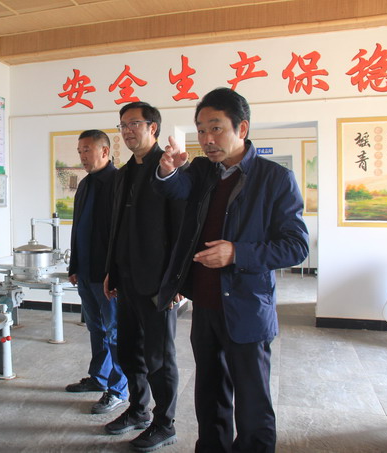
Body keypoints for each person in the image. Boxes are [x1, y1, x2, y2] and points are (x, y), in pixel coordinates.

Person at [153, 87, 309, 453]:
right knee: (209, 396)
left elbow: (296, 246)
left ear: (242, 128)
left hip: (248, 307)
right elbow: (175, 190)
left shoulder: (275, 179)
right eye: (201, 130)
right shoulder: (203, 172)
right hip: (206, 306)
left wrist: (237, 253)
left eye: (216, 128)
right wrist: (167, 170)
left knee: (253, 404)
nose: (207, 139)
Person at [103, 102, 185, 452]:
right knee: (128, 351)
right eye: (123, 125)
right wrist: (111, 270)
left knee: (159, 358)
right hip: (126, 279)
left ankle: (165, 424)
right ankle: (138, 409)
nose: (127, 131)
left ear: (153, 127)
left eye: (134, 123)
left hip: (157, 282)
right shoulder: (123, 174)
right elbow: (117, 227)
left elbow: (182, 228)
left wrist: (178, 280)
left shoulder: (168, 169)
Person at [66, 129, 128, 415]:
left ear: (104, 151)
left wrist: (114, 273)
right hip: (86, 272)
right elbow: (78, 228)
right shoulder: (85, 184)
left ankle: (118, 389)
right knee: (96, 328)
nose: (82, 156)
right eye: (80, 151)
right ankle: (99, 377)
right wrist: (74, 266)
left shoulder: (119, 182)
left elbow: (123, 234)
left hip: (107, 276)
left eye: (87, 150)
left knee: (115, 332)